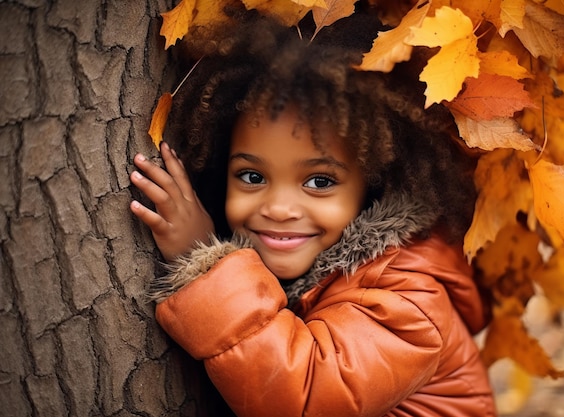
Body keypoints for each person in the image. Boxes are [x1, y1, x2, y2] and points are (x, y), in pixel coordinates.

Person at [130, 6, 495, 417]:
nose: (280, 208)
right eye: (251, 176)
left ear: (371, 185)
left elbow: (303, 396)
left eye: (319, 182)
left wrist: (204, 261)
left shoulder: (411, 297)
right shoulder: (319, 265)